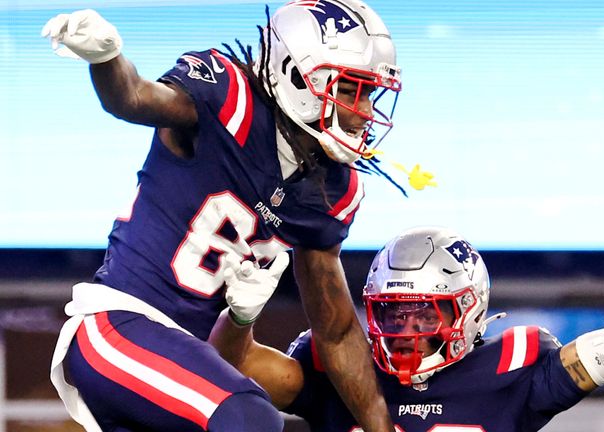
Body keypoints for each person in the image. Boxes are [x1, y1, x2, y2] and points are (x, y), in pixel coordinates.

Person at [41, 1, 401, 431]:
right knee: (250, 417)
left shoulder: (332, 189)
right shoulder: (228, 99)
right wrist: (106, 59)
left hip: (185, 364)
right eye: (349, 89)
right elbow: (134, 97)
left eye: (369, 93)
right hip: (119, 324)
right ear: (296, 76)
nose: (362, 110)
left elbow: (337, 331)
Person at [209, 211, 604, 431]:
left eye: (422, 312)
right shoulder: (337, 362)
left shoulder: (512, 367)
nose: (405, 331)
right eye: (392, 314)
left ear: (468, 309)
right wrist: (239, 315)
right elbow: (225, 371)